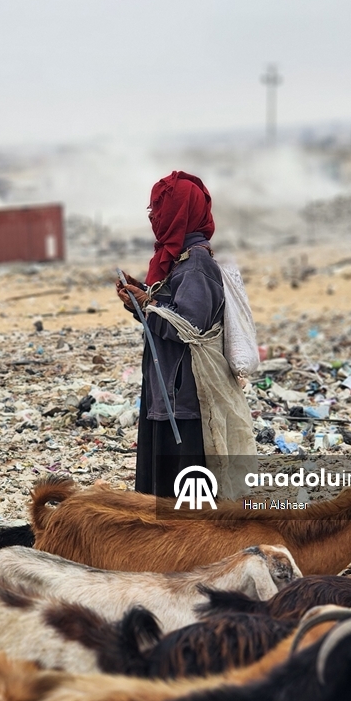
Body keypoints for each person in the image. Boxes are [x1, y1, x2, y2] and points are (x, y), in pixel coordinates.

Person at [116, 171, 225, 496]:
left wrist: (146, 302)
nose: (154, 217)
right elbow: (167, 314)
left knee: (183, 499)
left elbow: (188, 328)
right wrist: (141, 299)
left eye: (160, 209)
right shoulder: (178, 261)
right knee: (162, 495)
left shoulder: (195, 265)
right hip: (168, 393)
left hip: (184, 398)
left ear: (179, 212)